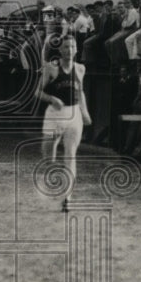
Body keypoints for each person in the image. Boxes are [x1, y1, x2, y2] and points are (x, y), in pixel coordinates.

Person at [35, 35, 92, 211]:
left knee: (70, 155)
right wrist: (52, 98)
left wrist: (84, 112)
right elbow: (37, 93)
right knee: (49, 158)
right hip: (54, 114)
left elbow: (80, 92)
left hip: (73, 114)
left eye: (72, 47)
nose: (69, 50)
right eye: (66, 47)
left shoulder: (80, 68)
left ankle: (68, 196)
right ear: (60, 50)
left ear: (77, 50)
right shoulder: (51, 69)